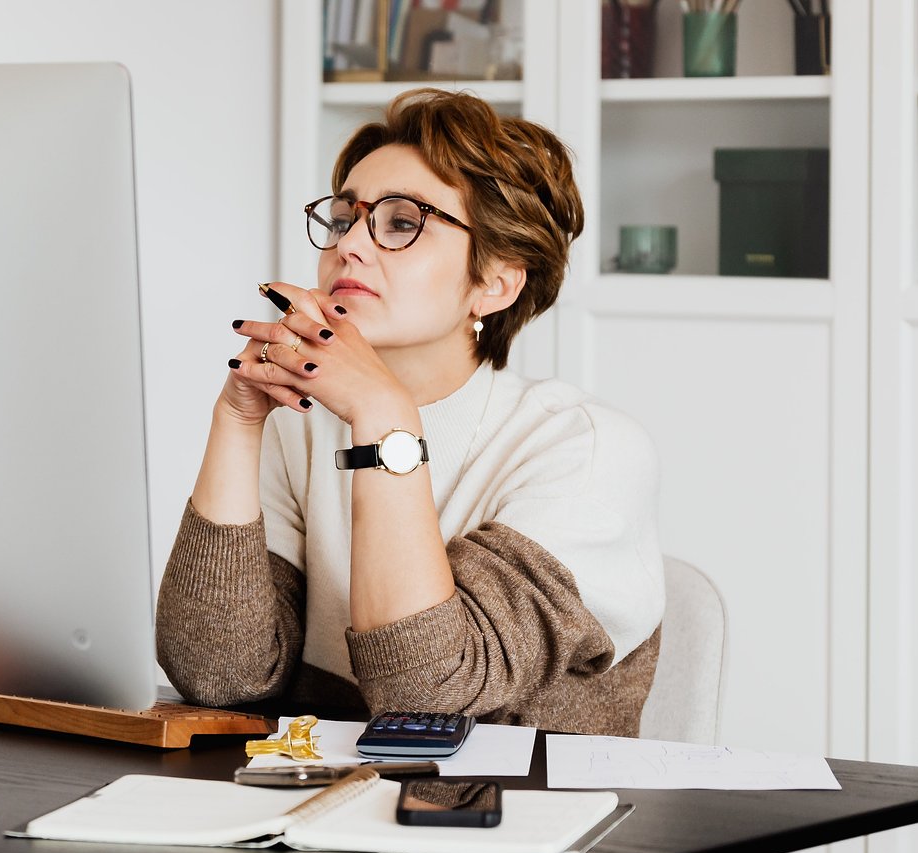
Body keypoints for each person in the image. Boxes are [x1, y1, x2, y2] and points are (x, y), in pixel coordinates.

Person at [154, 89, 664, 737]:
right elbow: (219, 674)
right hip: (321, 808)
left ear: (496, 283)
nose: (350, 246)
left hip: (513, 816)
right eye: (344, 219)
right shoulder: (299, 424)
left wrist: (384, 415)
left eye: (401, 223)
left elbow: (425, 697)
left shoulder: (587, 450)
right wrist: (238, 415)